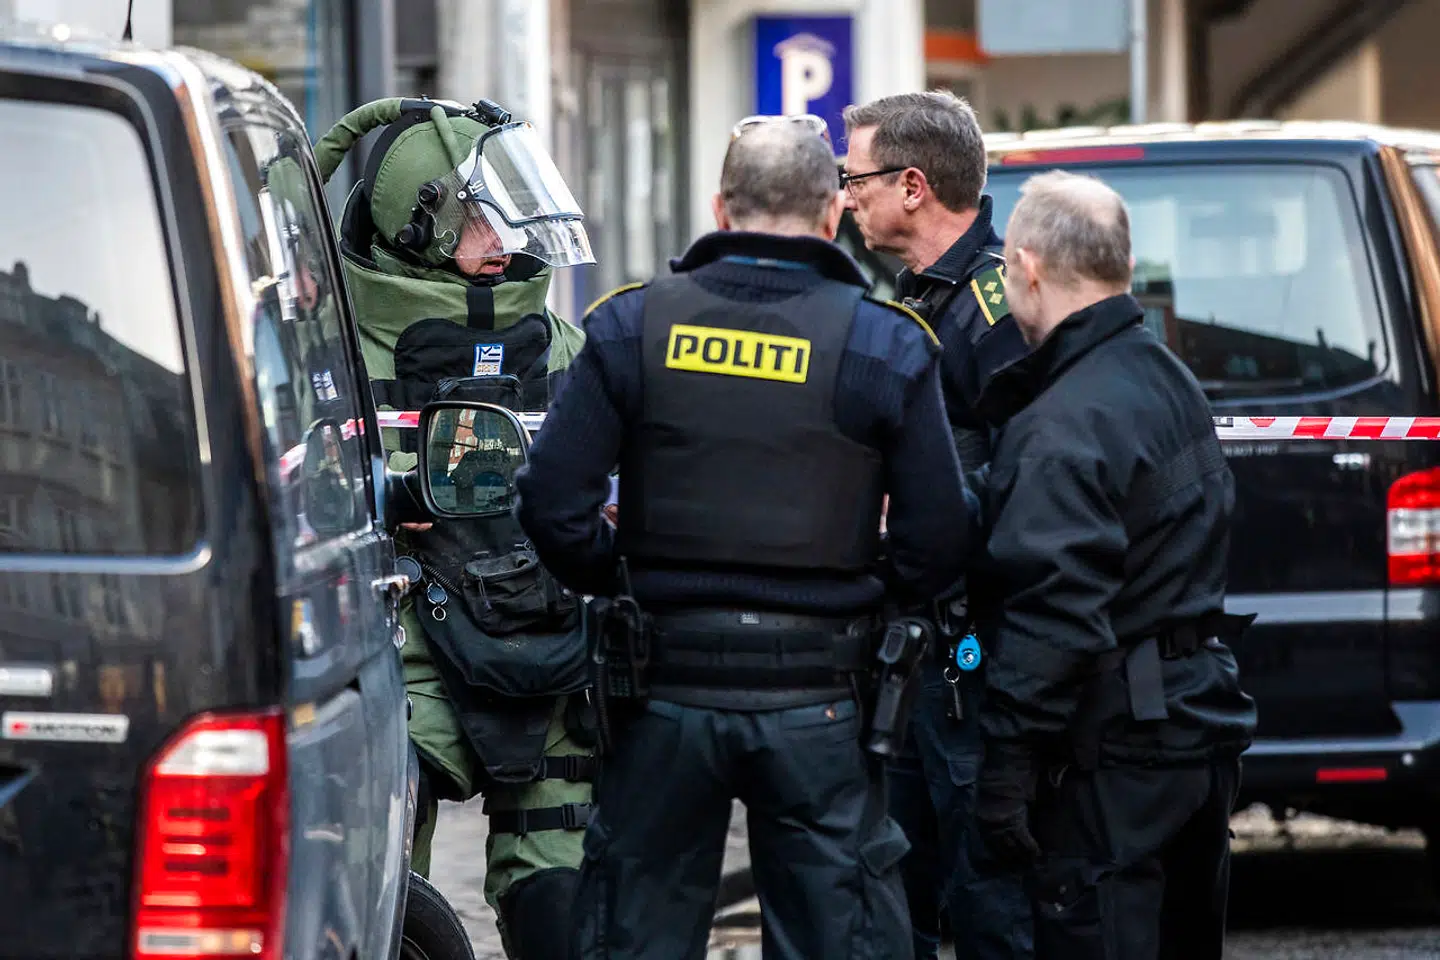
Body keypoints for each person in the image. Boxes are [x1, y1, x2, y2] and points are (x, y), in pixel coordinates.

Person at [514, 117, 974, 960]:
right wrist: (870, 595)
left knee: (636, 935)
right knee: (838, 933)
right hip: (823, 701)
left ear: (721, 209)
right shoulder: (886, 343)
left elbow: (550, 502)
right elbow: (939, 537)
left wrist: (619, 577)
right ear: (832, 213)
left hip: (661, 691)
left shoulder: (630, 328)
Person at [313, 96, 597, 960]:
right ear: (422, 222)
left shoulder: (562, 346)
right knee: (391, 888)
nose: (509, 237)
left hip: (545, 648)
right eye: (486, 216)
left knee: (565, 886)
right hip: (401, 653)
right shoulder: (332, 356)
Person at [966, 170, 1258, 959]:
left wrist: (1005, 766)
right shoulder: (1167, 379)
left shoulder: (1061, 421)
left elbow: (1052, 612)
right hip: (1192, 729)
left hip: (1115, 753)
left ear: (1026, 267)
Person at [842, 91, 1033, 960]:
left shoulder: (995, 307)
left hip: (977, 656)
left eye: (856, 180)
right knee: (897, 896)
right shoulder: (920, 294)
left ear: (912, 186)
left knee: (990, 897)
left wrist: (918, 502)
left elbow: (1035, 475)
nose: (846, 198)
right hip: (916, 654)